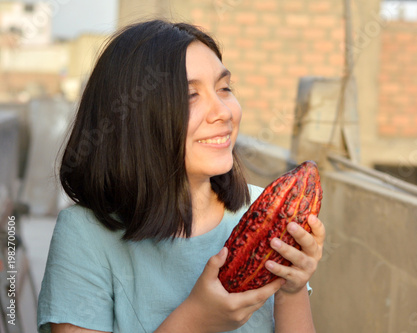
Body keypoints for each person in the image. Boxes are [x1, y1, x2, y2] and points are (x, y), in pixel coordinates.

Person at [37, 19, 325, 333]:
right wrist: (196, 320)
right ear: (135, 116)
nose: (223, 112)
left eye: (224, 88)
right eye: (190, 95)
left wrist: (291, 290)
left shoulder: (264, 212)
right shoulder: (85, 236)